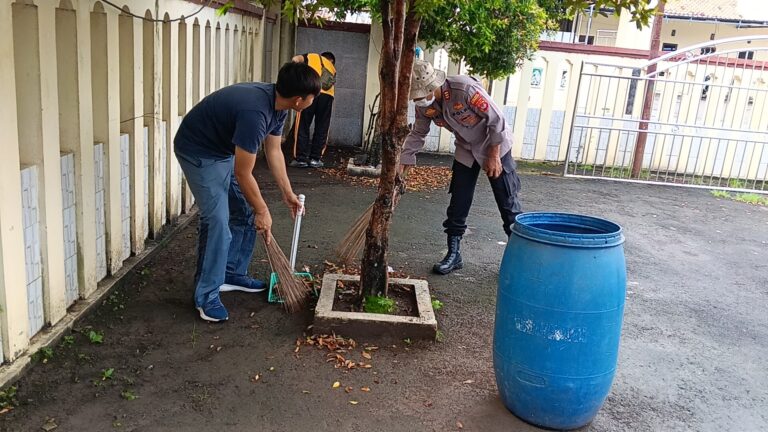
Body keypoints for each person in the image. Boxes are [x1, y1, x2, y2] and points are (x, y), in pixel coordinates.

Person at [174, 62, 321, 322]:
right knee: (217, 220)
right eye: (312, 97)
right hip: (198, 151)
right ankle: (206, 295)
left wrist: (287, 193)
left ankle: (230, 273)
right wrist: (262, 210)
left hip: (221, 151)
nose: (312, 101)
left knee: (241, 211)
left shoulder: (280, 106)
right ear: (300, 100)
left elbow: (274, 151)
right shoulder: (255, 113)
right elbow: (243, 173)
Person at [400, 59, 523, 275]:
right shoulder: (425, 106)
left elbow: (497, 120)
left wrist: (493, 155)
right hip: (466, 148)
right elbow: (419, 133)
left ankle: (520, 262)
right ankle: (454, 255)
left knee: (507, 202)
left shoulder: (464, 89)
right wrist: (404, 160)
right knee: (459, 199)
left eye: (419, 95)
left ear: (431, 87)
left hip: (495, 145)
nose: (417, 101)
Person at [288, 52, 337, 168]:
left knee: (303, 124)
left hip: (310, 92)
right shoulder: (332, 67)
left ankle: (301, 159)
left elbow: (295, 59)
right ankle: (315, 159)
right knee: (322, 126)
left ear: (321, 56)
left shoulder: (311, 56)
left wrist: (296, 73)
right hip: (327, 97)